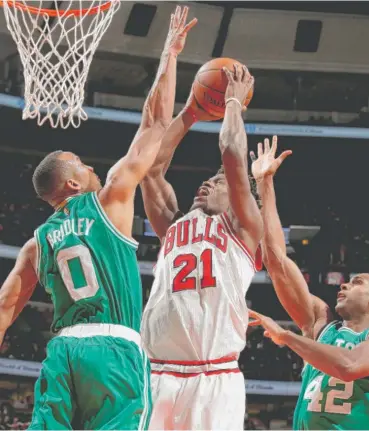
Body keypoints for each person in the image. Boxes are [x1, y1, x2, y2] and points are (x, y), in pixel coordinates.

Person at [0, 6, 197, 430]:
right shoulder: (109, 200)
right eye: (81, 164)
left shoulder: (36, 243)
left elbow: (2, 309)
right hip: (113, 350)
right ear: (71, 184)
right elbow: (157, 122)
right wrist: (170, 54)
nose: (89, 166)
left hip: (63, 352)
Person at [248, 136, 369, 430]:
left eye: (356, 282)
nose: (344, 285)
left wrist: (286, 337)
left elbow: (348, 367)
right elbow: (277, 262)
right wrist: (264, 184)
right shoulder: (321, 324)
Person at [140, 64, 262, 430]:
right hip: (157, 374)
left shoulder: (243, 229)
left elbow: (232, 153)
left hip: (213, 376)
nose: (207, 184)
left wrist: (233, 106)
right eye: (208, 180)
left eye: (218, 182)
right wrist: (191, 111)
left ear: (240, 198)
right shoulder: (174, 225)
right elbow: (150, 170)